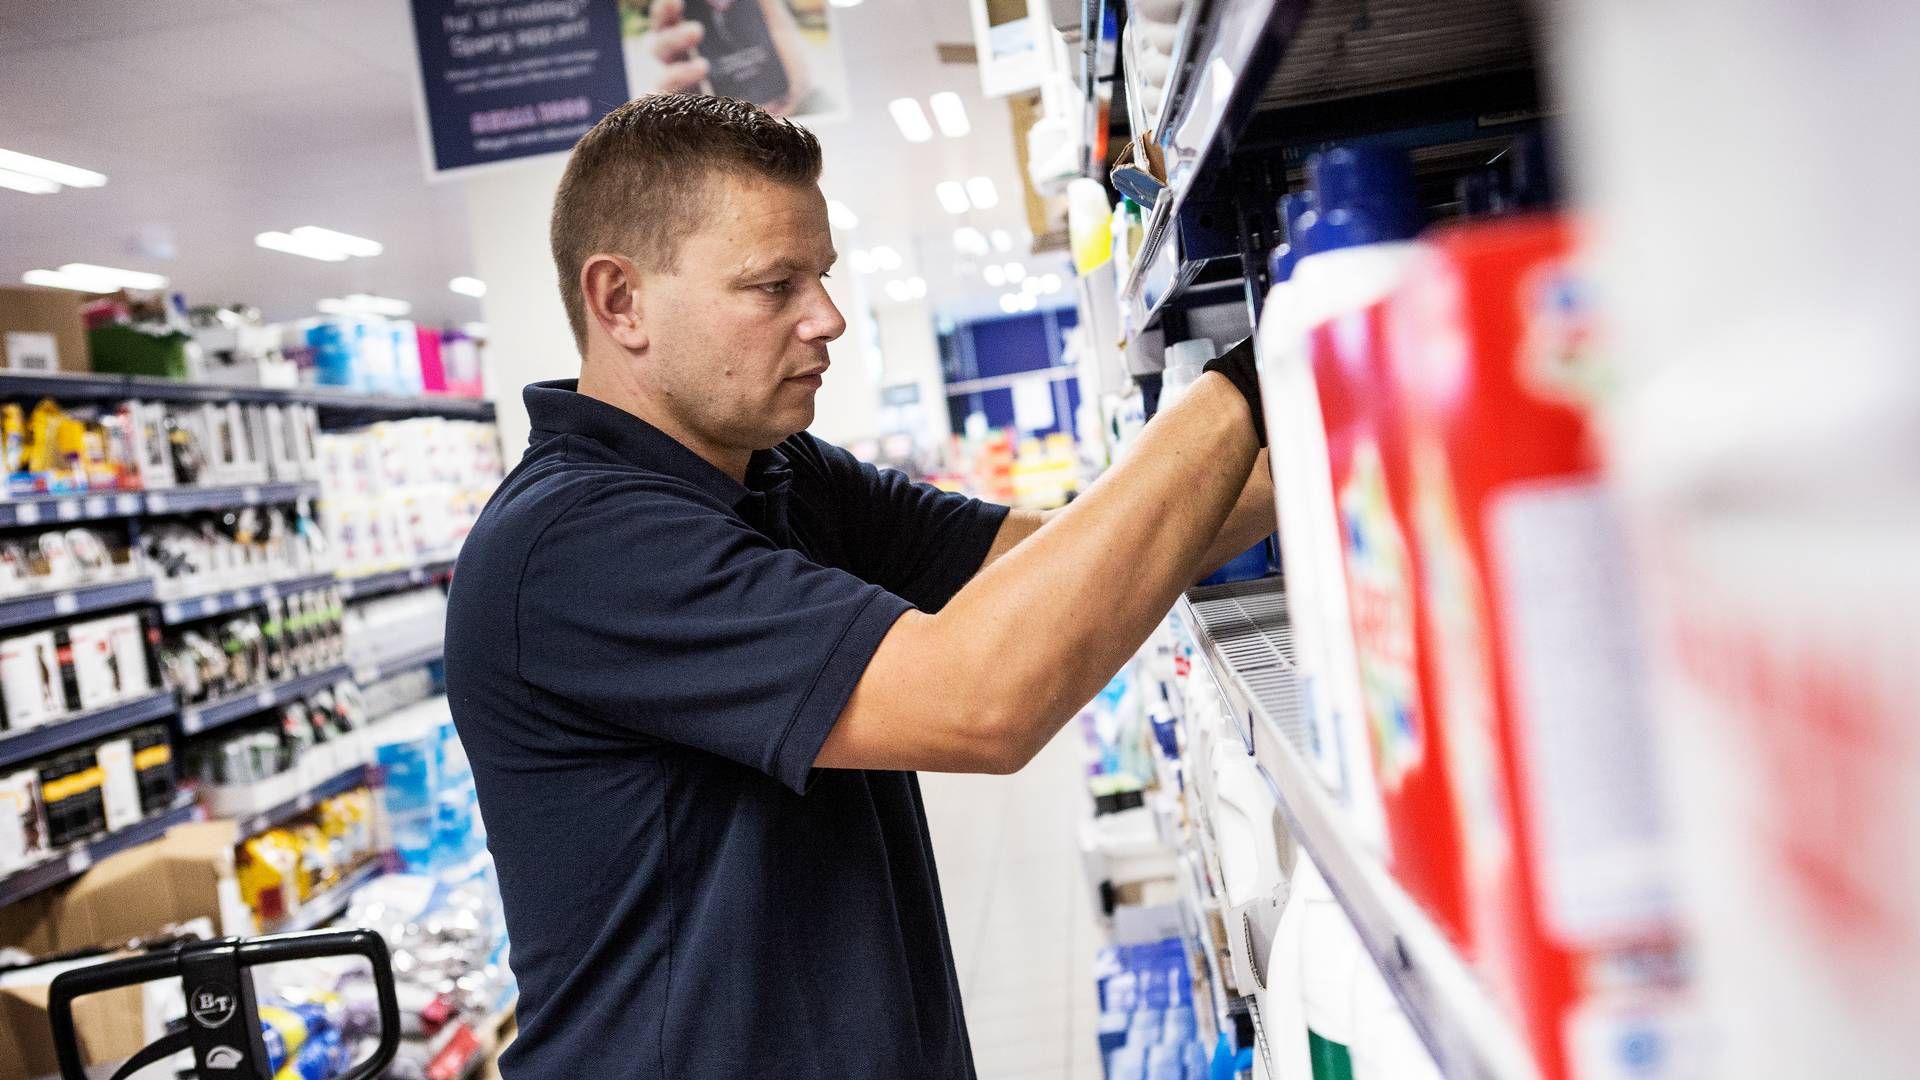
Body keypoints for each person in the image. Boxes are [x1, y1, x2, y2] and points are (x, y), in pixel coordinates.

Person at [443, 93, 1274, 1080]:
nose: (828, 317)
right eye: (773, 286)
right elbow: (983, 701)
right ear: (620, 302)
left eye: (823, 275)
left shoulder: (781, 471)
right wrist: (1244, 387)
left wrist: (1325, 408)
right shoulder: (573, 545)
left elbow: (1066, 555)